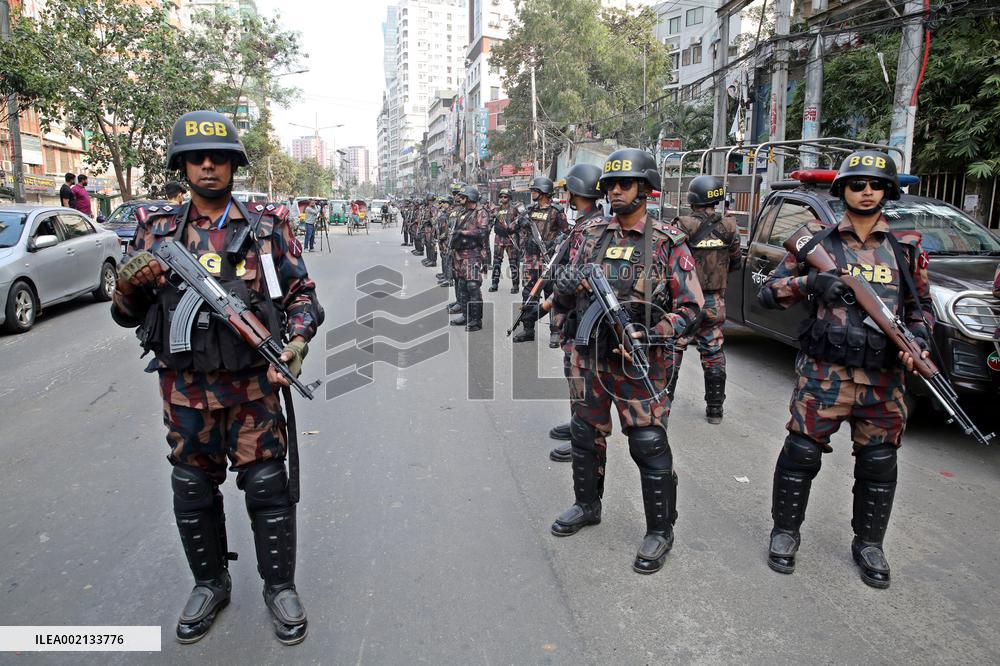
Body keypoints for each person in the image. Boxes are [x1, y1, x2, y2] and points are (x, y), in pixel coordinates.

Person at [109, 110, 322, 644]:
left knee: (267, 485)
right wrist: (129, 286)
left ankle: (279, 586)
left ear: (233, 164)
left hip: (254, 388)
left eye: (219, 157)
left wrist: (294, 345)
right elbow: (127, 315)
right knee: (191, 485)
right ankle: (210, 582)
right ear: (182, 165)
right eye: (197, 158)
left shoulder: (266, 226)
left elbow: (304, 298)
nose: (208, 166)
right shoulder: (156, 230)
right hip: (185, 390)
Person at [757, 150, 932, 589]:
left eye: (875, 185)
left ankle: (869, 543)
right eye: (857, 184)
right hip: (824, 375)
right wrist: (810, 282)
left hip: (883, 379)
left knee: (878, 462)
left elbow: (920, 310)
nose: (867, 191)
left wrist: (919, 344)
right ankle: (785, 532)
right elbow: (769, 293)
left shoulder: (904, 248)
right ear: (844, 191)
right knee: (800, 454)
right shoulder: (818, 240)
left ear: (888, 192)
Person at [549, 149, 703, 575]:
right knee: (584, 433)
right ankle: (587, 505)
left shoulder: (668, 242)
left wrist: (653, 332)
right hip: (590, 357)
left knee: (648, 444)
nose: (615, 191)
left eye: (625, 184)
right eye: (610, 185)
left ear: (646, 189)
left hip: (639, 362)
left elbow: (693, 309)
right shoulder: (590, 235)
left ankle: (660, 529)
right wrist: (564, 289)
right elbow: (566, 288)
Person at [536, 163, 608, 463]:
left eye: (570, 191)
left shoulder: (595, 226)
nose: (566, 196)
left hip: (584, 314)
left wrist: (552, 303)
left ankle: (584, 433)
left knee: (580, 376)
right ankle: (577, 423)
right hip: (573, 313)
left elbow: (581, 273)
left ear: (578, 192)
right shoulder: (583, 223)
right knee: (572, 371)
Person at [668, 175, 741, 423]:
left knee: (674, 347)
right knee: (713, 351)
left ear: (693, 198)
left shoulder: (683, 224)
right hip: (715, 302)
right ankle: (715, 410)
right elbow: (736, 260)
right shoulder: (730, 226)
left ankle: (664, 403)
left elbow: (668, 259)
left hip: (686, 302)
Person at [513, 176, 568, 345]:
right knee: (528, 294)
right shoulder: (528, 211)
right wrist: (519, 221)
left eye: (535, 191)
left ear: (544, 192)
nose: (532, 193)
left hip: (548, 260)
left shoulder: (556, 211)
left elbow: (567, 233)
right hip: (531, 259)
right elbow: (512, 227)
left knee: (551, 295)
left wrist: (557, 241)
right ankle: (528, 329)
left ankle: (555, 332)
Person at [449, 185, 489, 331]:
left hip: (472, 254)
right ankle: (466, 316)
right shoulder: (462, 212)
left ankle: (476, 321)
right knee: (462, 286)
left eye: (463, 197)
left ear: (470, 198)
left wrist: (463, 233)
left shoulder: (480, 212)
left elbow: (483, 232)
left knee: (473, 286)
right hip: (459, 254)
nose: (460, 198)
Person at [488, 188, 520, 294]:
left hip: (510, 238)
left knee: (513, 262)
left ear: (509, 198)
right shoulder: (496, 209)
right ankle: (494, 284)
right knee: (496, 262)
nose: (503, 198)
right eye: (501, 196)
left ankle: (515, 285)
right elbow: (489, 218)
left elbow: (520, 223)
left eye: (505, 196)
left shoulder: (514, 209)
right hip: (499, 238)